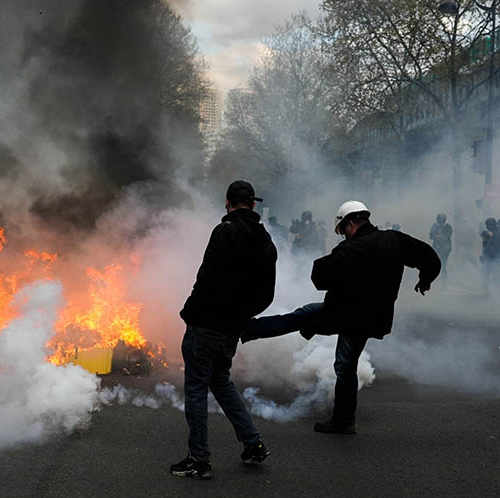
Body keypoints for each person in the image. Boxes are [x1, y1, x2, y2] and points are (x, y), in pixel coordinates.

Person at [241, 200, 440, 434]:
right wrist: (425, 279)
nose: (344, 235)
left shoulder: (350, 249)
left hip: (351, 316)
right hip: (368, 314)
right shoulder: (394, 240)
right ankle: (248, 329)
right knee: (304, 316)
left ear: (350, 223)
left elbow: (320, 276)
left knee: (343, 364)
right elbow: (429, 256)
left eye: (343, 230)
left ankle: (344, 420)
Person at [171, 180, 277, 480]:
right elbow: (266, 292)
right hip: (232, 327)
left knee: (196, 390)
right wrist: (243, 316)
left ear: (227, 202)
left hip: (206, 325)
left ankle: (199, 460)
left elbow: (207, 277)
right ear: (253, 204)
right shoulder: (264, 238)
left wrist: (189, 314)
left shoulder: (224, 231)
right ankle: (253, 443)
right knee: (221, 381)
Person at [430, 213, 453, 279]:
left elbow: (448, 236)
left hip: (445, 249)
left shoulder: (448, 226)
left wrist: (439, 237)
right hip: (436, 248)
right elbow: (431, 236)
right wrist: (437, 236)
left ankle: (443, 282)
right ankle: (436, 280)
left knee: (443, 265)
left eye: (442, 219)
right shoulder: (435, 226)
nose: (440, 221)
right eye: (439, 219)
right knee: (435, 265)